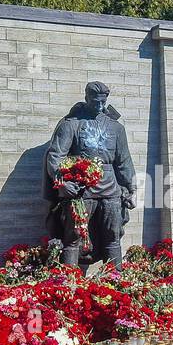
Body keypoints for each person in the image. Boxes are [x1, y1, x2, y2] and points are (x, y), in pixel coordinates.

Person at [42, 81, 137, 269]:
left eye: (103, 102)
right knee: (74, 236)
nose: (100, 106)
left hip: (111, 190)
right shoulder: (71, 125)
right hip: (80, 190)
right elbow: (55, 156)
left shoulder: (116, 128)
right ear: (86, 98)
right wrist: (62, 183)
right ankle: (70, 284)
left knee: (113, 235)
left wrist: (131, 188)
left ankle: (116, 281)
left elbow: (124, 160)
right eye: (95, 102)